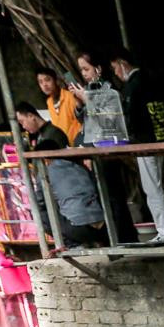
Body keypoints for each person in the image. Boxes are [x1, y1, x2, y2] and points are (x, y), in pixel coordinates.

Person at [110, 48, 164, 245]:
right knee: (155, 185)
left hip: (145, 141)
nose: (116, 73)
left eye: (115, 68)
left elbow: (130, 116)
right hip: (158, 137)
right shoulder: (148, 79)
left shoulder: (133, 85)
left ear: (123, 63)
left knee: (152, 188)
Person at [14, 102, 105, 247]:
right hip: (102, 224)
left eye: (22, 121)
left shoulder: (49, 166)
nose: (23, 126)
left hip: (78, 226)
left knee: (40, 211)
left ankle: (71, 245)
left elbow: (40, 202)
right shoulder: (80, 168)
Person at [36, 70, 82, 146]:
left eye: (47, 80)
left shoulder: (70, 96)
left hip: (77, 144)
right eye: (40, 82)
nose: (44, 84)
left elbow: (80, 121)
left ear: (56, 81)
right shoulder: (49, 102)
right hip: (61, 145)